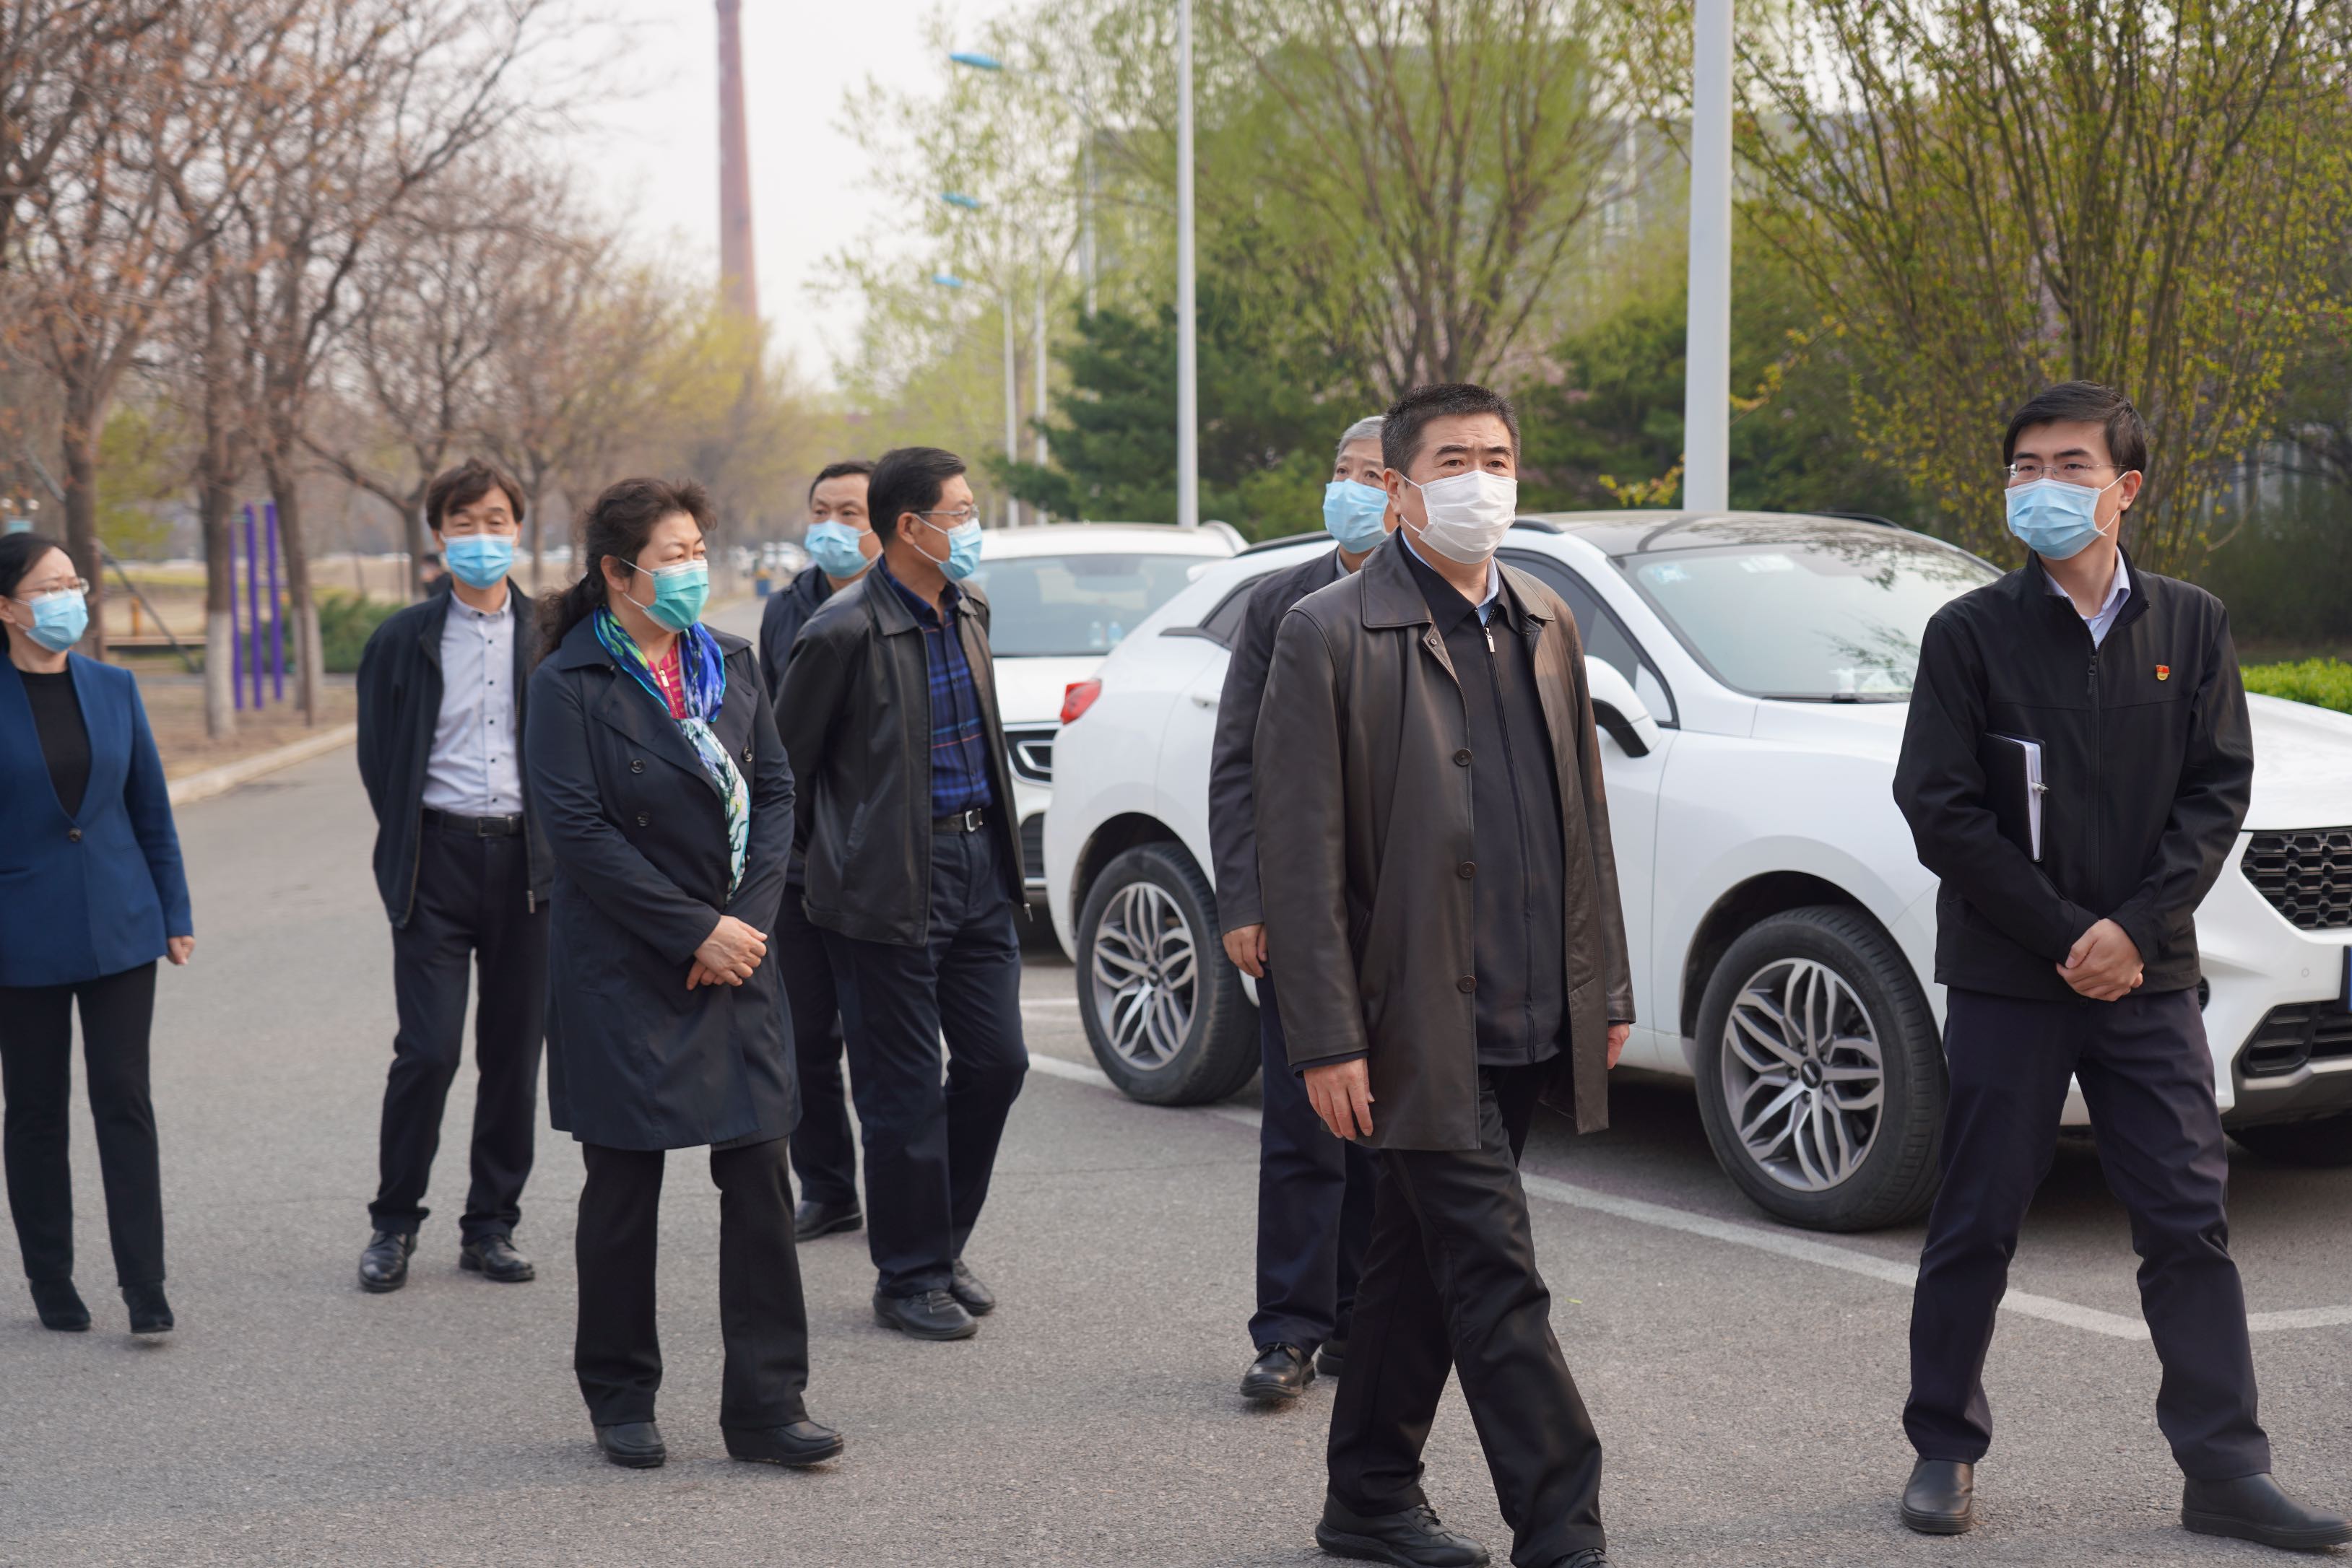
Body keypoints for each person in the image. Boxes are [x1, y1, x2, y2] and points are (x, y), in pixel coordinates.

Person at [1892, 382, 2348, 1552]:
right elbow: (1939, 808)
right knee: (1975, 1218)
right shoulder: (1968, 634)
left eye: (2069, 466)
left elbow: (2215, 793)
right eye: (2023, 467)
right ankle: (1941, 1446)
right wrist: (2062, 933)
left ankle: (2226, 1470)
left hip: (2147, 979)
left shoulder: (2190, 625)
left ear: (2125, 487)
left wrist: (2133, 932)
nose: (2040, 487)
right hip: (2010, 975)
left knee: (2187, 1222)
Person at [1256, 383, 1632, 1568]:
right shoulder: (1328, 631)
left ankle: (1368, 1497)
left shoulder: (1545, 618)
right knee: (1496, 1276)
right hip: (1413, 1018)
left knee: (1414, 1264)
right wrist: (1326, 1036)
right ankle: (1563, 1532)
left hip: (1529, 1002)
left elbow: (1583, 821)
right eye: (1454, 460)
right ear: (1400, 488)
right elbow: (1298, 855)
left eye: (1498, 458)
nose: (1482, 481)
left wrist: (1605, 989)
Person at [526, 476, 839, 1472]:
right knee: (624, 1189)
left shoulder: (730, 661)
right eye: (674, 555)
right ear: (619, 573)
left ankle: (768, 1405)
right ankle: (620, 1394)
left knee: (759, 1179)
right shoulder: (568, 682)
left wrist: (742, 926)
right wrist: (691, 931)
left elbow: (777, 792)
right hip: (627, 964)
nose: (693, 570)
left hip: (738, 955)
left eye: (700, 550)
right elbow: (578, 833)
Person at [776, 445, 1028, 1343]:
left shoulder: (970, 607)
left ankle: (939, 1242)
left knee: (997, 1065)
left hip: (979, 869)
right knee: (902, 1090)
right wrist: (823, 874)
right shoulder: (841, 631)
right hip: (884, 887)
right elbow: (784, 772)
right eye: (959, 513)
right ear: (911, 527)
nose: (972, 526)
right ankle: (909, 1275)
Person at [1212, 415, 1389, 1403]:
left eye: (1371, 474)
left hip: (1407, 913)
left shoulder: (1440, 598)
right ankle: (1287, 1330)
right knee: (1302, 1128)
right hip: (1300, 910)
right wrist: (1245, 899)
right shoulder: (1279, 603)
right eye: (1341, 470)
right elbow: (1236, 761)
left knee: (1386, 1130)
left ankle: (1366, 1318)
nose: (1350, 489)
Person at [352, 460, 551, 1294]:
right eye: (463, 523)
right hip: (434, 863)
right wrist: (410, 841)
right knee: (427, 1052)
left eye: (495, 520)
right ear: (438, 535)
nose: (481, 537)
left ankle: (490, 1226)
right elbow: (379, 759)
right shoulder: (402, 638)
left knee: (512, 1057)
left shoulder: (553, 633)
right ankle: (393, 1223)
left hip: (527, 869)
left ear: (519, 529)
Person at [0, 531, 192, 1336]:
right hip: (20, 938)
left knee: (124, 1099)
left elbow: (150, 808)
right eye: (49, 588)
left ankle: (145, 1287)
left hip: (122, 925)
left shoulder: (114, 687)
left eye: (73, 583)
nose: (67, 599)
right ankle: (51, 1278)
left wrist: (175, 913)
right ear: (7, 608)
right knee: (36, 1110)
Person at [757, 459, 877, 1242]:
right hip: (798, 858)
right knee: (803, 1036)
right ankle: (828, 1187)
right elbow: (769, 728)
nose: (832, 526)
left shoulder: (908, 604)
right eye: (821, 511)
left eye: (850, 512)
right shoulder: (786, 608)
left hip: (876, 860)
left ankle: (902, 1195)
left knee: (881, 1044)